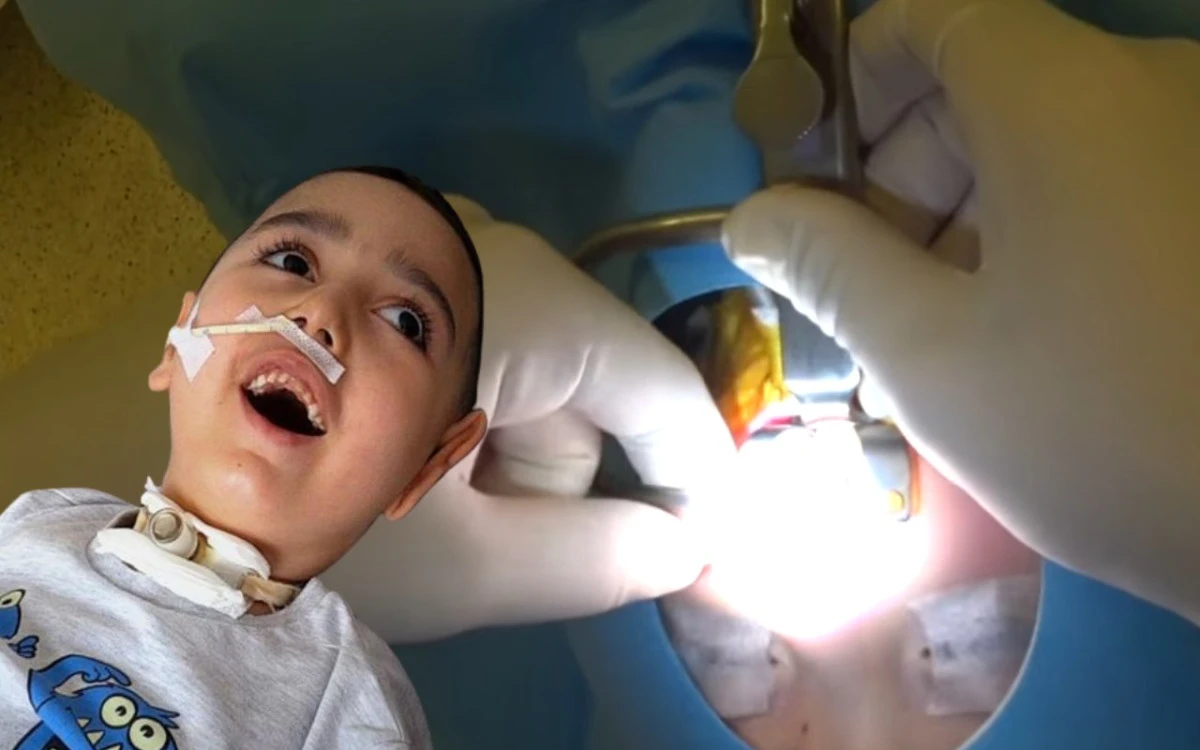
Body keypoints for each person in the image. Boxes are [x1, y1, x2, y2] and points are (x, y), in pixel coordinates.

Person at [0, 166, 491, 747]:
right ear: (178, 338)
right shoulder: (44, 517)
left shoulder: (354, 706)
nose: (320, 313)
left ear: (424, 470)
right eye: (292, 262)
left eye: (404, 321)